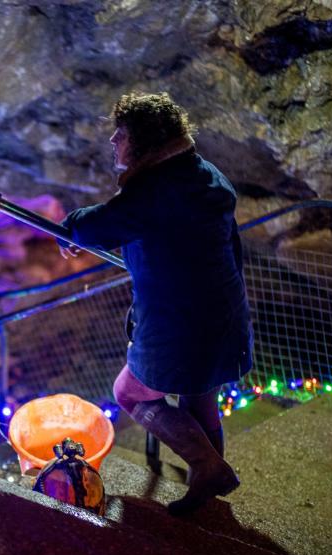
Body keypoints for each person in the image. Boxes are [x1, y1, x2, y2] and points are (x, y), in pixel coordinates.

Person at [59, 91, 253, 516]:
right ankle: (210, 481)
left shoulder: (155, 191)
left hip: (178, 325)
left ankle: (208, 466)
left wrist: (68, 227)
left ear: (144, 141)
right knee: (199, 397)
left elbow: (101, 224)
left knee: (130, 393)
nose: (113, 140)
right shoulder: (204, 174)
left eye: (122, 133)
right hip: (224, 313)